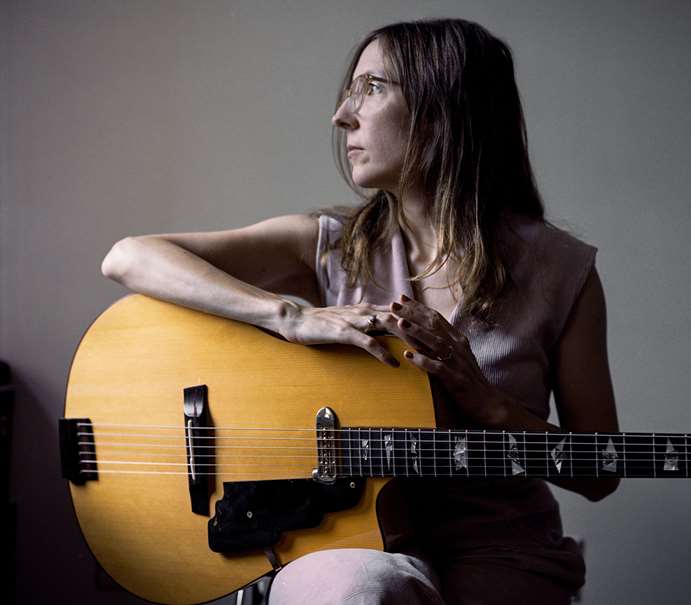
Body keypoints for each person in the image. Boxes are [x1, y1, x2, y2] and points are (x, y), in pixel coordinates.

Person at [102, 18, 619, 605]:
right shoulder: (327, 245)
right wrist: (290, 317)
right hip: (346, 538)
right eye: (350, 90)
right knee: (352, 590)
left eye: (371, 88)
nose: (342, 115)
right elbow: (130, 257)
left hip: (502, 546)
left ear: (442, 108)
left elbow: (598, 471)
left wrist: (493, 406)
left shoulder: (561, 270)